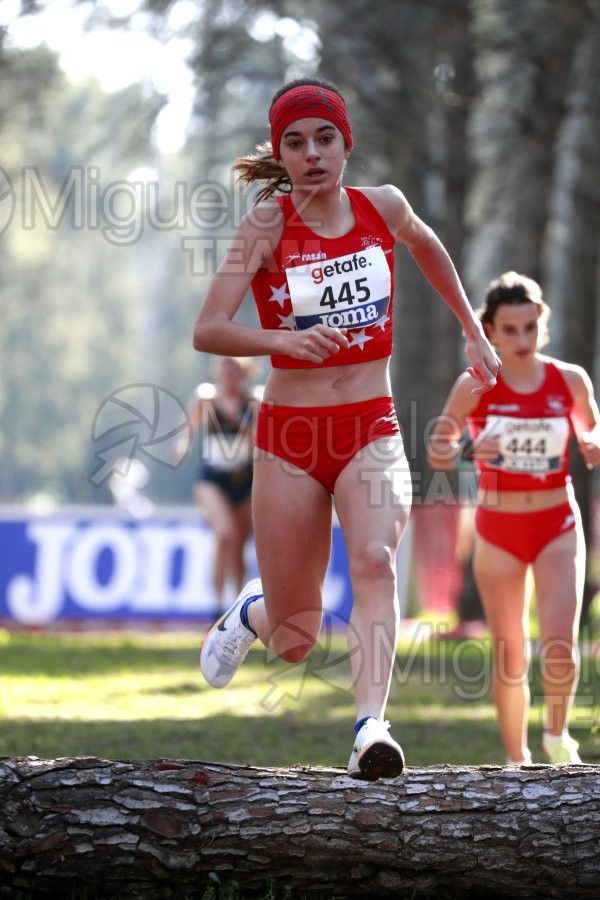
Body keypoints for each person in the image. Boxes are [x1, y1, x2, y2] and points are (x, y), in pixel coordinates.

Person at [194, 77, 500, 779]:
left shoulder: (381, 206)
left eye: (324, 138)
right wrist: (282, 344)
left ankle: (370, 727)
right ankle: (254, 613)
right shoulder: (268, 224)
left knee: (375, 561)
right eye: (295, 143)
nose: (311, 154)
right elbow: (208, 329)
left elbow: (425, 245)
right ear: (280, 153)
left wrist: (469, 329)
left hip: (370, 424)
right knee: (297, 638)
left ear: (346, 143)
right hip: (292, 439)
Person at [427, 271, 600, 765]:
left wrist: (591, 443)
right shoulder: (475, 385)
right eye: (510, 329)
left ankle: (557, 738)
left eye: (530, 327)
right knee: (509, 654)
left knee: (560, 643)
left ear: (541, 326)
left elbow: (593, 425)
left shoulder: (569, 380)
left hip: (556, 524)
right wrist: (469, 448)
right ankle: (517, 763)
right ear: (489, 331)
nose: (521, 340)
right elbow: (437, 450)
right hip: (498, 529)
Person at [188, 356, 263, 612]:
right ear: (218, 373)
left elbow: (260, 442)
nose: (229, 378)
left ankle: (237, 606)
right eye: (225, 371)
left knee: (239, 546)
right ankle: (216, 603)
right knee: (224, 533)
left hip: (243, 479)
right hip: (213, 479)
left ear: (244, 375)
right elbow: (188, 428)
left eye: (235, 372)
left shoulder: (253, 402)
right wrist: (180, 446)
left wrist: (245, 426)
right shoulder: (207, 399)